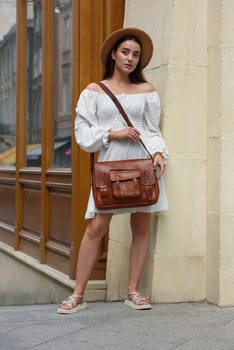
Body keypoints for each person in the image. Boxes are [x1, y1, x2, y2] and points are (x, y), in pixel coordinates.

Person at [57, 27, 169, 314]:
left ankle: (133, 291)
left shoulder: (146, 91)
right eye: (125, 52)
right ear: (114, 55)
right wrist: (113, 133)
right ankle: (78, 294)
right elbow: (82, 134)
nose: (131, 58)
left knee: (141, 226)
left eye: (136, 54)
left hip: (143, 164)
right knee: (96, 227)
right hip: (111, 164)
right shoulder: (94, 92)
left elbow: (151, 129)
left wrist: (159, 153)